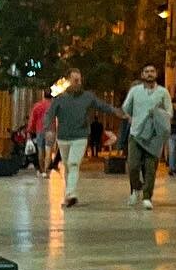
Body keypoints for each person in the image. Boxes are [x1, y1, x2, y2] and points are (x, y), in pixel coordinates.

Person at [44, 70, 121, 209]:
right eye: (75, 80)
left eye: (79, 80)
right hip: (63, 138)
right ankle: (68, 194)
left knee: (73, 164)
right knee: (67, 166)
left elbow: (102, 105)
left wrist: (116, 111)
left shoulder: (87, 97)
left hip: (80, 136)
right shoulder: (60, 98)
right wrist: (49, 129)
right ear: (68, 81)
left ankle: (71, 194)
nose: (78, 83)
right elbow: (50, 114)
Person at [120, 64, 172, 209]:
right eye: (147, 71)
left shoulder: (163, 92)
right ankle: (136, 188)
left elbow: (169, 113)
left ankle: (147, 197)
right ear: (142, 75)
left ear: (156, 74)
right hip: (136, 134)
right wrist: (131, 117)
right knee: (133, 166)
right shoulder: (135, 91)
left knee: (150, 169)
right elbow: (126, 108)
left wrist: (158, 114)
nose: (149, 74)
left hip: (154, 137)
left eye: (152, 71)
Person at [27, 88, 54, 176]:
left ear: (43, 95)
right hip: (50, 130)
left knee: (40, 150)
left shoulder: (37, 106)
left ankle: (42, 170)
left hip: (39, 130)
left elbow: (32, 119)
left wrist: (29, 130)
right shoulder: (53, 105)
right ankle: (46, 170)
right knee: (48, 150)